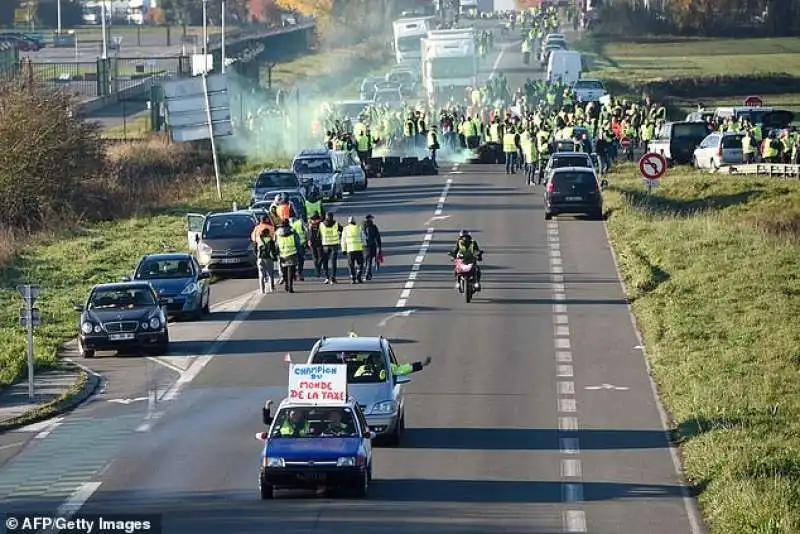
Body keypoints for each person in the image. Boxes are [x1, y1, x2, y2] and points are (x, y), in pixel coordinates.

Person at [275, 219, 303, 293]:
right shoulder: (293, 232)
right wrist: (300, 252)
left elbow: (276, 244)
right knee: (291, 271)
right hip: (292, 253)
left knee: (284, 271)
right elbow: (297, 243)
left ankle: (286, 284)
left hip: (282, 254)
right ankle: (290, 286)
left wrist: (276, 253)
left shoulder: (277, 233)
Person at [341, 216, 366, 284]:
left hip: (350, 250)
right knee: (360, 264)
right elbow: (363, 238)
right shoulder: (358, 228)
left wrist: (343, 249)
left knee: (351, 265)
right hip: (358, 249)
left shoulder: (345, 229)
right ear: (354, 222)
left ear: (348, 222)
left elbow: (343, 240)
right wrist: (364, 245)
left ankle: (353, 278)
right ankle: (358, 276)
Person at [320, 212, 343, 284]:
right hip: (334, 245)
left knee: (325, 262)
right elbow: (342, 230)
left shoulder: (322, 224)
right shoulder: (336, 224)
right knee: (333, 262)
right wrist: (340, 236)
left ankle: (327, 277)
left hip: (325, 245)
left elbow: (318, 235)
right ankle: (333, 278)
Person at [256, 227, 277, 294]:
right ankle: (271, 288)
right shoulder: (270, 240)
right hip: (268, 258)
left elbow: (255, 249)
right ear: (267, 233)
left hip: (260, 258)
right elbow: (273, 250)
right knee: (270, 274)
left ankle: (262, 290)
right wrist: (274, 257)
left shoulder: (258, 239)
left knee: (261, 275)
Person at [362, 214, 382, 280]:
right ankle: (367, 274)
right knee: (369, 260)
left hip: (363, 246)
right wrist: (379, 246)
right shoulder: (373, 227)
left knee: (367, 260)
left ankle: (369, 274)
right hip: (371, 246)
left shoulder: (361, 227)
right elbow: (377, 237)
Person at [289, 214, 307, 281]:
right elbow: (307, 231)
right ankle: (299, 273)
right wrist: (307, 240)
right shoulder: (300, 222)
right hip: (300, 244)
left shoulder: (287, 223)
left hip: (291, 245)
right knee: (300, 260)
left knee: (293, 260)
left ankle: (294, 274)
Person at [307, 212, 325, 277]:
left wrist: (308, 240)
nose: (314, 220)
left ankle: (317, 270)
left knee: (319, 257)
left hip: (316, 241)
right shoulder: (312, 224)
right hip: (316, 242)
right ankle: (317, 271)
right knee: (318, 257)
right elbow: (309, 233)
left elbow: (308, 233)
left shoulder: (313, 224)